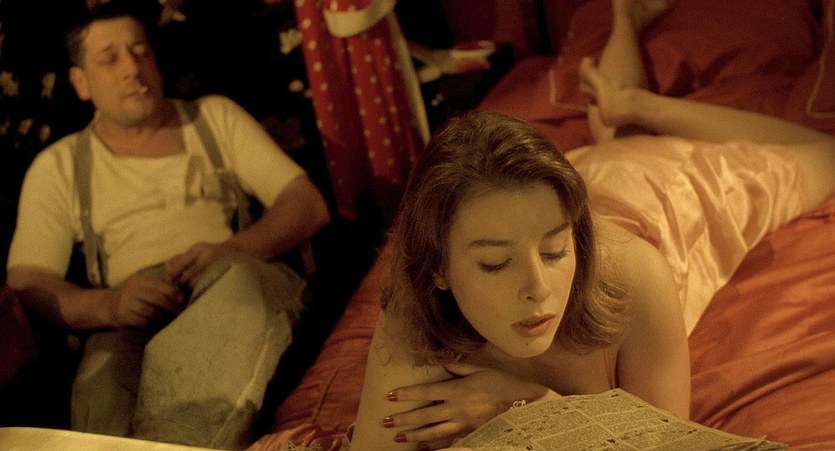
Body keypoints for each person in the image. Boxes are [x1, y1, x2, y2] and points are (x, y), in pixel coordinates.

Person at [348, 0, 835, 449]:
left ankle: (640, 105)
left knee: (827, 154)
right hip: (576, 185)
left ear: (576, 240)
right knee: (616, 142)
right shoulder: (415, 315)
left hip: (673, 194)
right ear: (437, 268)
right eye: (495, 264)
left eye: (555, 253)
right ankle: (625, 32)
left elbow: (662, 445)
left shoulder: (638, 278)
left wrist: (529, 404)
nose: (538, 289)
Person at [5, 1, 330, 448]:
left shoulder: (213, 117)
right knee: (102, 397)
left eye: (140, 51)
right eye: (110, 59)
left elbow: (308, 205)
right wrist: (110, 306)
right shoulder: (58, 166)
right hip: (128, 317)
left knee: (238, 291)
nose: (132, 68)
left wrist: (234, 250)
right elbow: (28, 280)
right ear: (81, 82)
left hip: (231, 278)